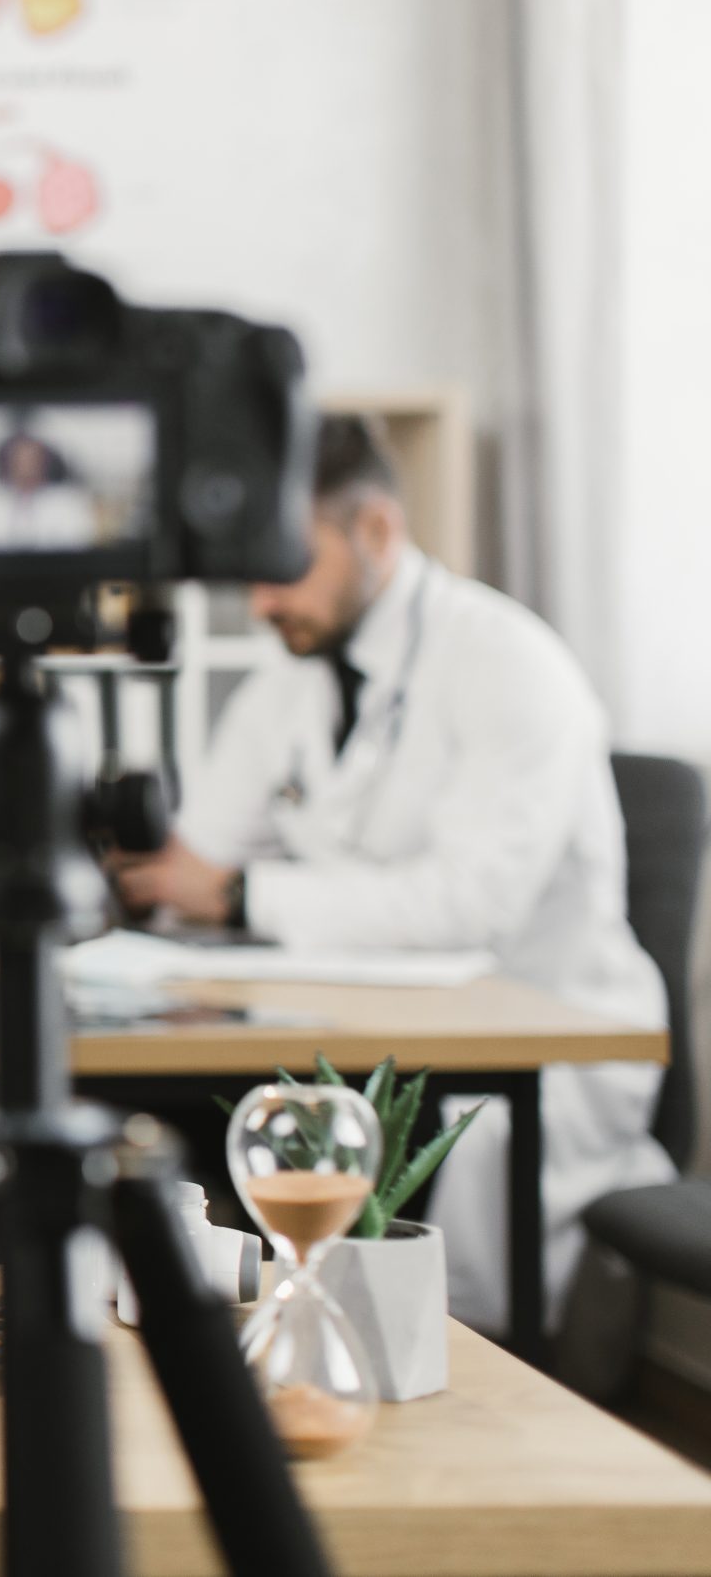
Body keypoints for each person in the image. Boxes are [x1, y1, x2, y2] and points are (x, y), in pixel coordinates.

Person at [112, 413, 675, 1332]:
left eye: (283, 561)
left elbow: (470, 905)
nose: (259, 600)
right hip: (357, 1033)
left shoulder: (511, 666)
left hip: (530, 1046)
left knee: (446, 1329)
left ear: (374, 530)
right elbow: (199, 860)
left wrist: (245, 894)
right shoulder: (290, 673)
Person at [0, 428, 95, 550]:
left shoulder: (68, 502)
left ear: (44, 460)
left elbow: (79, 544)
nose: (26, 464)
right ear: (8, 461)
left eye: (32, 457)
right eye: (20, 457)